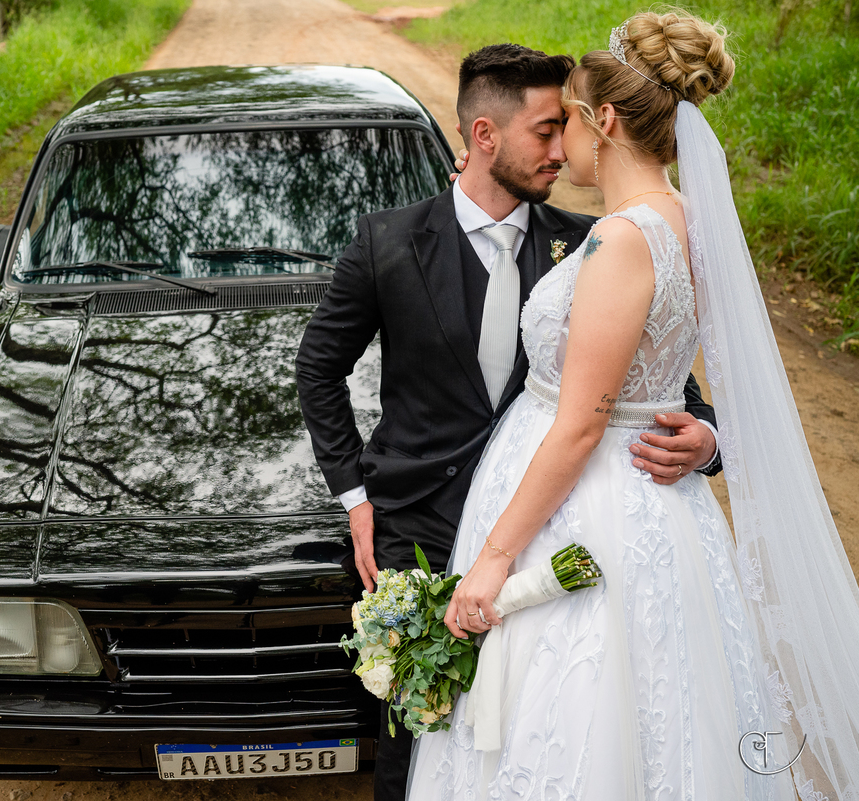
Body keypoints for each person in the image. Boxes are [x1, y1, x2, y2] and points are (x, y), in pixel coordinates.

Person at [406, 10, 859, 799]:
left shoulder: (623, 240)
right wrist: (708, 438)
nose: (559, 145)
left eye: (569, 121)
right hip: (656, 508)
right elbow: (662, 374)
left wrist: (493, 559)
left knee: (576, 716)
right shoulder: (682, 220)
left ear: (604, 120)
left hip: (592, 514)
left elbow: (582, 421)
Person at [295, 43, 722, 801]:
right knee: (419, 738)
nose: (562, 149)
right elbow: (317, 371)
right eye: (545, 130)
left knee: (534, 735)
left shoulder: (587, 240)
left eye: (568, 127)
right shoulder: (386, 241)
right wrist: (357, 502)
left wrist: (709, 438)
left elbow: (651, 373)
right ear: (484, 136)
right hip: (418, 530)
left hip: (547, 534)